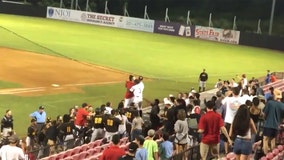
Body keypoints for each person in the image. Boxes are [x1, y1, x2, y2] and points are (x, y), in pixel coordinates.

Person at [262, 89, 284, 154]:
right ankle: (273, 155)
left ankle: (266, 155)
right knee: (273, 140)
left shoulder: (270, 103)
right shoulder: (282, 105)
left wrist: (265, 119)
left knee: (265, 140)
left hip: (268, 124)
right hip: (276, 126)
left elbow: (264, 114)